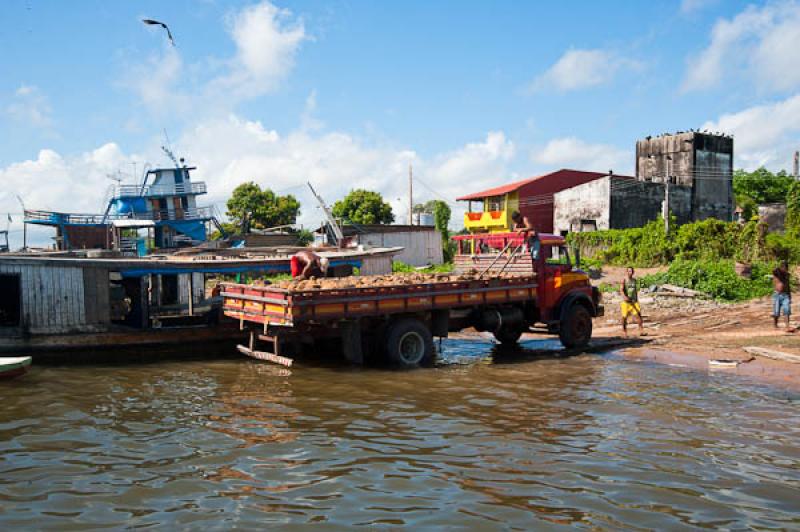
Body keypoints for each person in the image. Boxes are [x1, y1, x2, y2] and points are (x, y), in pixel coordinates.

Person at [620, 266, 644, 337]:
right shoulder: (624, 280)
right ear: (626, 272)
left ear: (633, 272)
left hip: (634, 301)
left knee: (638, 315)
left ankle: (641, 330)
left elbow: (635, 291)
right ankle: (624, 331)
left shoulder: (634, 280)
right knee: (624, 317)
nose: (630, 272)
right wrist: (624, 297)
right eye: (629, 271)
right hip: (626, 302)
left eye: (631, 271)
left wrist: (637, 300)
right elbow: (621, 290)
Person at [772, 260, 792, 329]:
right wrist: (780, 267)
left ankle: (787, 326)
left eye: (786, 268)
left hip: (785, 295)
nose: (785, 269)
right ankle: (775, 324)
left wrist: (789, 295)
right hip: (777, 295)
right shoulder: (777, 273)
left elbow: (788, 285)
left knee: (787, 309)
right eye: (784, 267)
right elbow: (774, 270)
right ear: (781, 267)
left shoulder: (787, 275)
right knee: (776, 312)